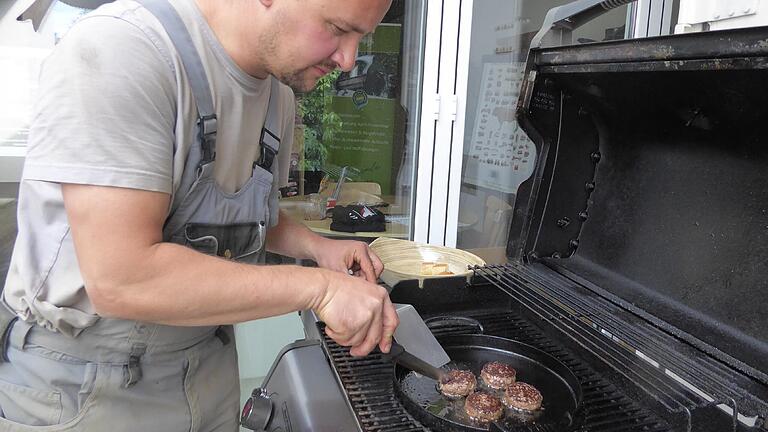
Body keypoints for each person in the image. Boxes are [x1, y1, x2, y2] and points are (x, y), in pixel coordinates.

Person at [0, 0, 397, 430]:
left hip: (208, 367)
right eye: (338, 28)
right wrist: (321, 290)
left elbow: (248, 217)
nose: (349, 59)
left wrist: (319, 248)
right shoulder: (126, 50)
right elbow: (121, 277)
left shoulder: (277, 97)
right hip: (89, 383)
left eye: (362, 37)